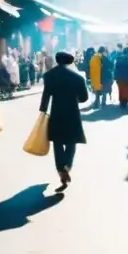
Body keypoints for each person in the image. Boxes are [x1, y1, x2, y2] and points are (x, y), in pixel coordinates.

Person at [40, 50, 89, 187]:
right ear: (70, 61)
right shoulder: (77, 77)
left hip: (56, 112)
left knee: (57, 142)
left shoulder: (49, 76)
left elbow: (46, 96)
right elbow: (84, 98)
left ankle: (61, 169)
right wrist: (74, 98)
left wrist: (43, 111)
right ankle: (67, 164)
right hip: (72, 112)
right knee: (71, 142)